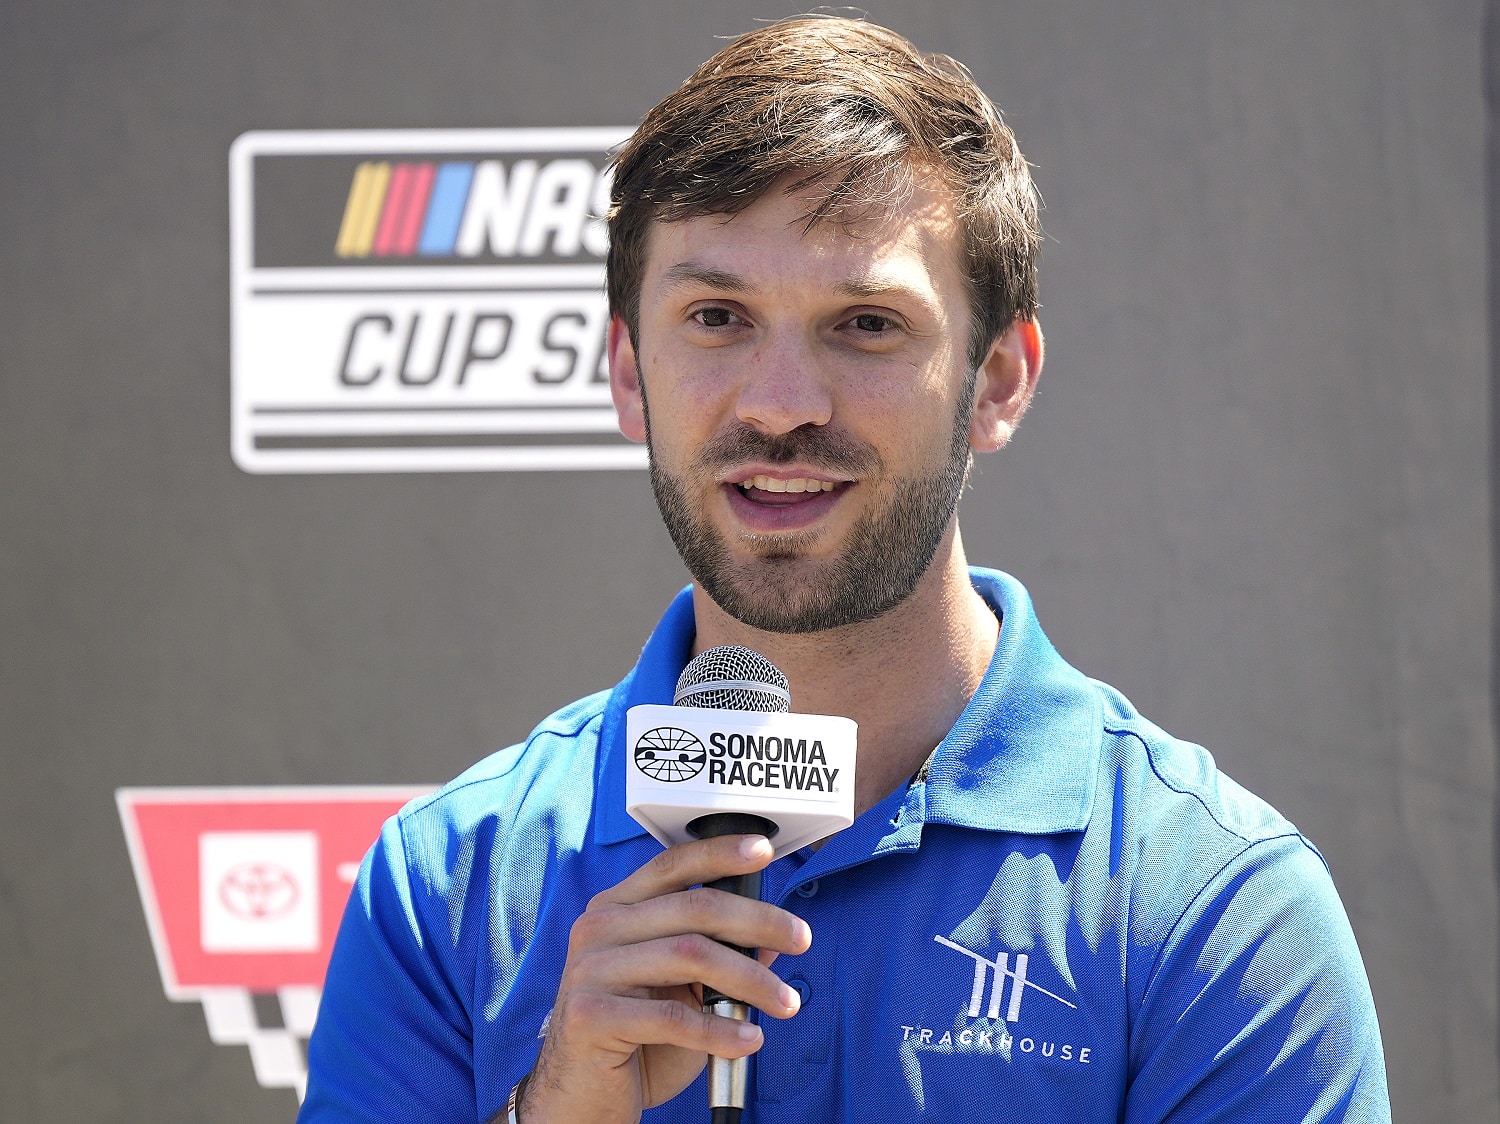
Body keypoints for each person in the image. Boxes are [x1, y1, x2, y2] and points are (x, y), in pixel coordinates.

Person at [300, 16, 1389, 1123]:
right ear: (629, 373)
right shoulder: (448, 884)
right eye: (716, 317)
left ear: (998, 379)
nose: (781, 402)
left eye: (865, 324)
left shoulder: (1214, 906)